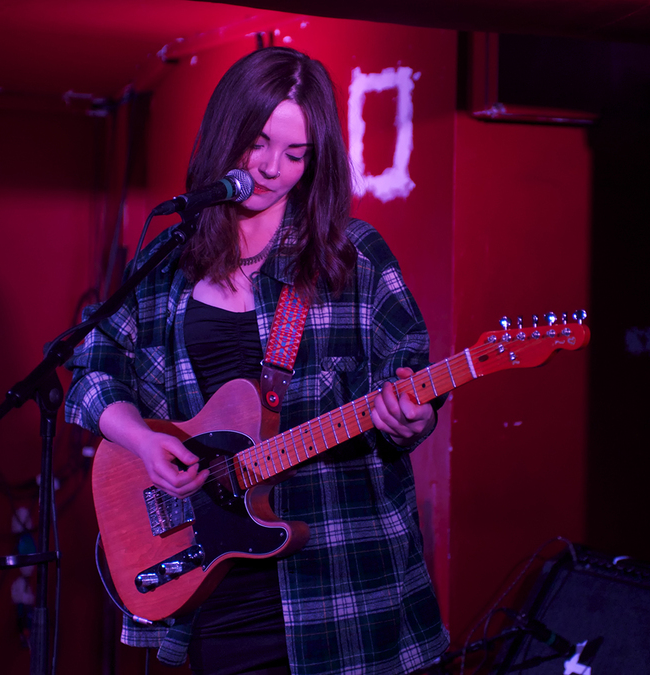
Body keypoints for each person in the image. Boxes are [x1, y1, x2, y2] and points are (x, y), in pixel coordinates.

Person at [66, 46, 449, 675]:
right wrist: (140, 438)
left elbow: (412, 376)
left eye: (296, 155)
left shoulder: (354, 256)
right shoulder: (169, 260)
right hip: (212, 585)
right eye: (259, 143)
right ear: (226, 135)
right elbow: (89, 373)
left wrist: (417, 414)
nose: (272, 168)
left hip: (342, 588)